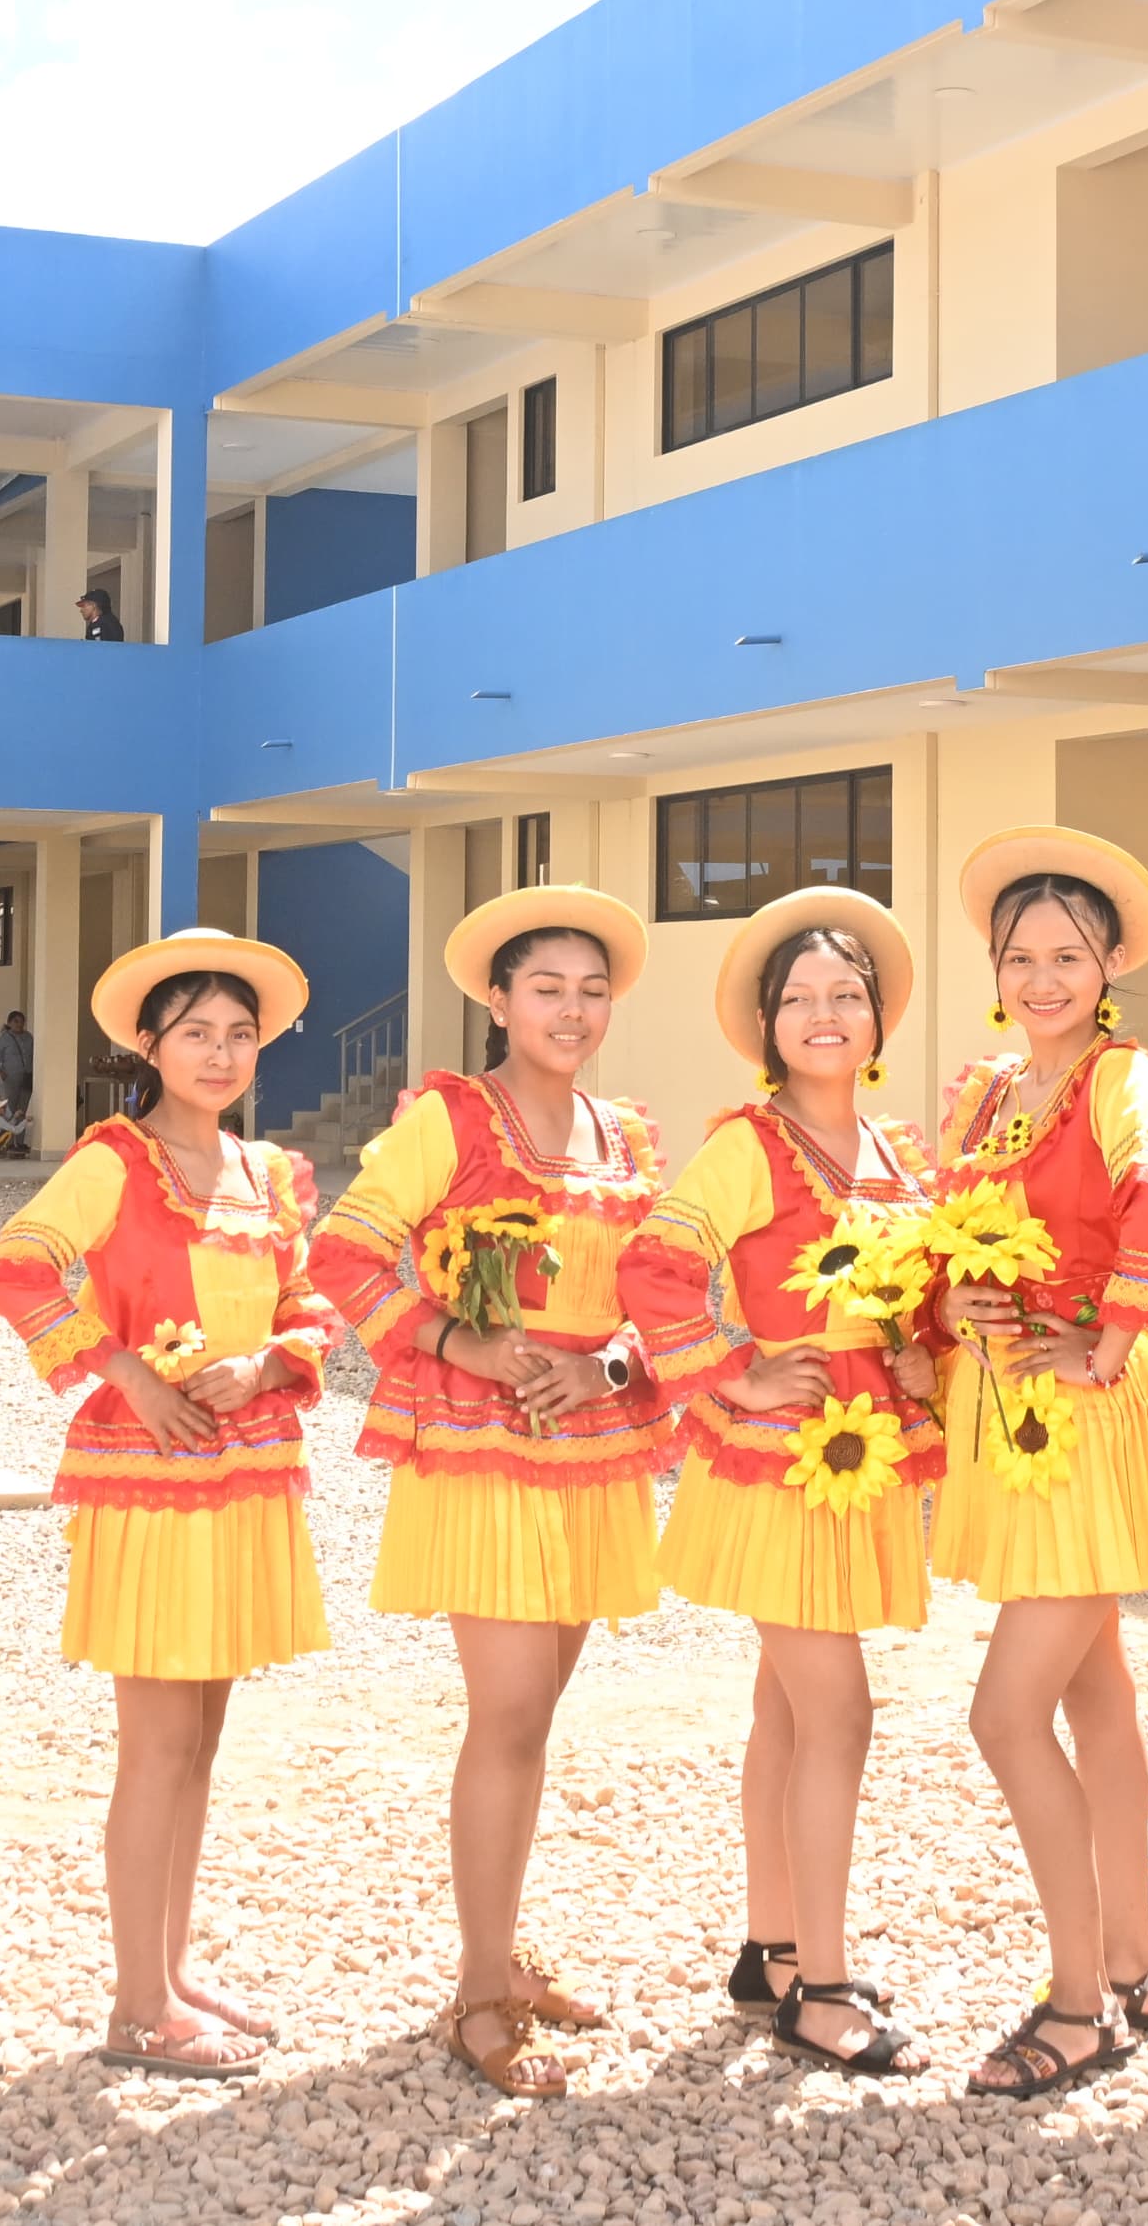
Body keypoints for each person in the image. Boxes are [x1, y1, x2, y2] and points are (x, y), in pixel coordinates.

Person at [307, 882, 719, 2099]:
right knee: (506, 1713)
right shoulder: (450, 1115)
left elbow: (656, 1292)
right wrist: (460, 1340)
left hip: (592, 1442)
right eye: (546, 987)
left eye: (591, 990)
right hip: (482, 1441)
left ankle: (501, 1954)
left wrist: (607, 1363)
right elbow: (341, 1249)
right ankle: (478, 1994)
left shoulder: (626, 1134)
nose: (571, 1009)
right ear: (498, 999)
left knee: (536, 1718)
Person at [0, 928, 335, 2078]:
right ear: (149, 1043)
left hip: (245, 1464)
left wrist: (270, 1359)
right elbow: (14, 1268)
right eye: (195, 1032)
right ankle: (136, 2003)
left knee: (203, 1735)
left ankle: (171, 1970)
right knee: (157, 1741)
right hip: (149, 1471)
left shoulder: (268, 1173)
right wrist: (125, 1370)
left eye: (239, 1033)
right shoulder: (114, 1161)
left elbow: (307, 1302)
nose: (219, 1053)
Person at [621, 886, 944, 2078]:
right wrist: (734, 1369)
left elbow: (919, 1292)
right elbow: (654, 1261)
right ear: (766, 1023)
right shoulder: (746, 1145)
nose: (823, 1012)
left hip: (859, 1452)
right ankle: (824, 1986)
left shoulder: (896, 1152)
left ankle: (773, 1947)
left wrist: (921, 1350)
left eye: (845, 993)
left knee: (786, 1710)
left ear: (876, 1017)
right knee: (837, 1713)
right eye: (798, 997)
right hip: (780, 1457)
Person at [923, 827, 1148, 2099]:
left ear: (1109, 967)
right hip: (1009, 1406)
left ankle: (1077, 2002)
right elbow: (945, 1235)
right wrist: (956, 1301)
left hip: (1079, 1414)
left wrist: (1112, 1334)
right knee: (1097, 1692)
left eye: (1067, 958)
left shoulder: (1118, 1075)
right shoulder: (985, 1093)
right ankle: (1131, 1958)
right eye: (1020, 957)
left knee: (1003, 1711)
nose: (1042, 980)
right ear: (993, 966)